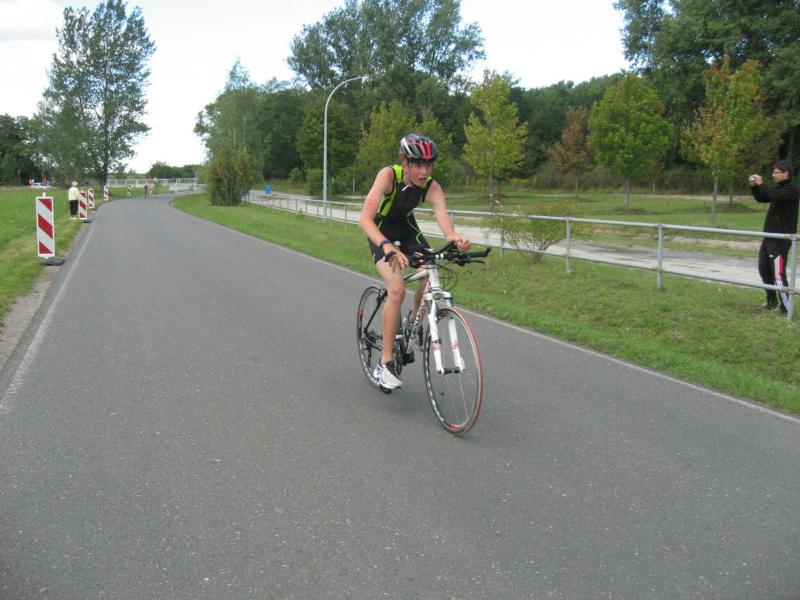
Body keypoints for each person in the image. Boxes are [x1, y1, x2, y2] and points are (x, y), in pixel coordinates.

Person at [358, 134, 471, 389]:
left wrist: (454, 237)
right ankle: (385, 363)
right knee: (397, 288)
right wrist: (387, 246)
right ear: (405, 162)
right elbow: (364, 219)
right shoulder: (388, 176)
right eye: (418, 165)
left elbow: (441, 214)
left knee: (430, 270)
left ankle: (413, 322)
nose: (424, 172)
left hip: (407, 230)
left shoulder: (431, 186)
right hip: (380, 232)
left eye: (428, 165)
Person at [748, 159, 800, 312]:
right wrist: (755, 187)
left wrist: (761, 183)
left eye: (776, 172)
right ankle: (771, 300)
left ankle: (785, 307)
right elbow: (762, 198)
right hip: (769, 236)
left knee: (778, 273)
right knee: (764, 269)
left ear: (786, 173)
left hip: (781, 238)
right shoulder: (779, 189)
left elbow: (774, 195)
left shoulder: (792, 189)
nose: (773, 175)